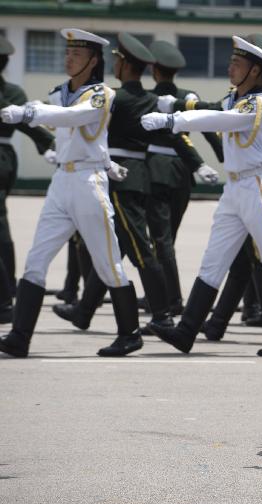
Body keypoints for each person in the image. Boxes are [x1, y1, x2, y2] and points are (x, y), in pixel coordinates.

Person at [140, 36, 262, 357]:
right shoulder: (233, 99)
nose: (230, 68)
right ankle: (186, 331)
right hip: (234, 190)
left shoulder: (256, 104)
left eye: (237, 64)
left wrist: (173, 120)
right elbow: (252, 139)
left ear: (255, 71)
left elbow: (220, 120)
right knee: (213, 260)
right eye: (231, 61)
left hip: (256, 189)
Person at [0, 28, 142, 358]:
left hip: (87, 186)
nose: (68, 59)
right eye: (67, 53)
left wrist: (27, 112)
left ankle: (130, 334)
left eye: (76, 55)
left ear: (93, 61)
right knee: (36, 260)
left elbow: (75, 117)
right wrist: (108, 162)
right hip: (62, 183)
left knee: (107, 264)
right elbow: (87, 136)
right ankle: (20, 337)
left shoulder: (101, 94)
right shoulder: (59, 92)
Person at [52, 33, 179, 334]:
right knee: (113, 248)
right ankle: (84, 311)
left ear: (123, 66)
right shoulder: (150, 100)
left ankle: (162, 314)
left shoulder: (115, 98)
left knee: (139, 248)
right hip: (137, 174)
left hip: (120, 180)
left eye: (118, 61)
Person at [145, 39, 222, 317]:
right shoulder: (188, 96)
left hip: (155, 172)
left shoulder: (148, 99)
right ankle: (161, 291)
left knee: (160, 240)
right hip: (182, 174)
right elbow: (208, 126)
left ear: (154, 70)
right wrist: (220, 153)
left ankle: (171, 298)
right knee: (168, 239)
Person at [0, 35, 55, 322]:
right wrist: (48, 145)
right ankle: (7, 290)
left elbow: (29, 124)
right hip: (7, 159)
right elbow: (33, 128)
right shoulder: (14, 92)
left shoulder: (10, 93)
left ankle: (4, 300)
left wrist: (50, 146)